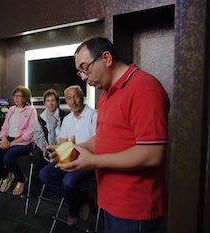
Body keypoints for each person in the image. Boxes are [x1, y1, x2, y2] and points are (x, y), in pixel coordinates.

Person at [57, 37, 170, 233]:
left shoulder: (145, 88)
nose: (83, 77)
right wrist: (78, 148)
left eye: (85, 68)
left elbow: (153, 154)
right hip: (110, 200)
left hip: (135, 208)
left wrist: (93, 161)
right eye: (80, 71)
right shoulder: (107, 94)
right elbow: (103, 138)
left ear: (107, 58)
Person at [39, 85, 98, 226]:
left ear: (82, 97)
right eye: (69, 98)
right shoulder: (67, 119)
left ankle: (72, 212)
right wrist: (57, 154)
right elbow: (62, 144)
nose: (73, 101)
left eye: (76, 96)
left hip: (87, 160)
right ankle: (80, 199)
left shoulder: (94, 115)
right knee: (44, 174)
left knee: (68, 181)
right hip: (68, 158)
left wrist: (73, 149)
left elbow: (97, 142)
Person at [0, 85, 37, 196]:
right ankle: (7, 176)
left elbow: (30, 131)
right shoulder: (11, 109)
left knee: (7, 158)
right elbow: (5, 128)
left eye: (19, 96)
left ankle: (21, 179)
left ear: (25, 98)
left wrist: (11, 143)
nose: (16, 98)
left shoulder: (31, 110)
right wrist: (4, 139)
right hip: (8, 139)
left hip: (24, 142)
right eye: (15, 96)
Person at [33, 88, 68, 177]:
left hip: (61, 145)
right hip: (47, 145)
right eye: (48, 101)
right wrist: (44, 147)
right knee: (38, 154)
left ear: (57, 102)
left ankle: (53, 179)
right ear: (44, 103)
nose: (50, 103)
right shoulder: (41, 118)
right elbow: (39, 136)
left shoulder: (65, 116)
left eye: (53, 100)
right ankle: (39, 184)